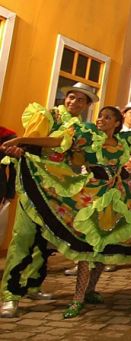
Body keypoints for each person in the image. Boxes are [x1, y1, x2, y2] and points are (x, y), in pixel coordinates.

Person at [0, 106, 131, 318]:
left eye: (107, 117)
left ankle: (90, 290)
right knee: (87, 246)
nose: (101, 120)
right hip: (94, 195)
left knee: (105, 244)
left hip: (120, 195)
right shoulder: (88, 136)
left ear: (117, 123)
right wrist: (21, 141)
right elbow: (56, 141)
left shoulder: (126, 141)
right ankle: (77, 299)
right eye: (100, 116)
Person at [0, 82, 98, 318]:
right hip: (34, 183)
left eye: (80, 100)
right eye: (71, 97)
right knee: (23, 235)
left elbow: (61, 145)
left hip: (61, 188)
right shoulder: (44, 114)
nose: (73, 102)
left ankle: (33, 285)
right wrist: (20, 146)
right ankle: (10, 295)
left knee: (47, 239)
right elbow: (35, 141)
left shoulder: (82, 129)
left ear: (86, 105)